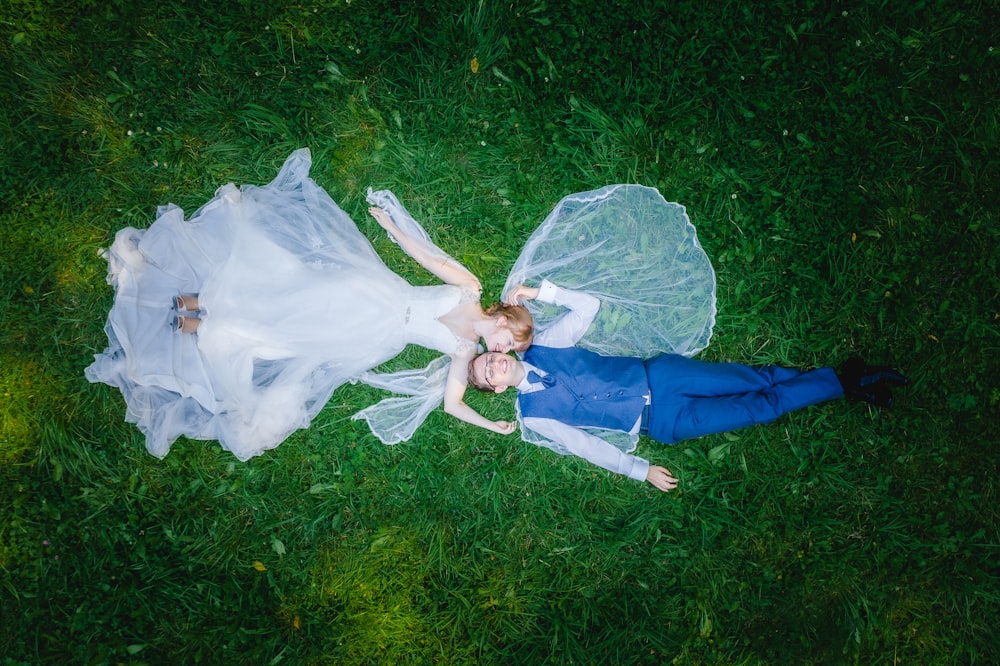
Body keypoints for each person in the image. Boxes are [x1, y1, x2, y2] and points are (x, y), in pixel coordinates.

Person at [86, 148, 530, 460]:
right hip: (373, 292)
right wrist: (392, 227)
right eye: (510, 341)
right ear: (505, 319)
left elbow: (452, 405)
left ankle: (193, 327)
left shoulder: (463, 352)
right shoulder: (470, 287)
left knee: (283, 335)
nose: (503, 351)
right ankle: (185, 300)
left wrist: (495, 426)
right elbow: (429, 258)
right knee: (284, 290)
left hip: (370, 332)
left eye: (508, 353)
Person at [468, 281, 908, 492]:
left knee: (756, 378)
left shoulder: (545, 344)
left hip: (662, 376)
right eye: (488, 375)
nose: (494, 366)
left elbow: (590, 306)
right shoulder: (536, 416)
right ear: (498, 391)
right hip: (663, 421)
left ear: (500, 352)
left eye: (489, 358)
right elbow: (585, 446)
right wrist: (639, 470)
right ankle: (847, 380)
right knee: (760, 408)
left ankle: (846, 382)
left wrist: (544, 292)